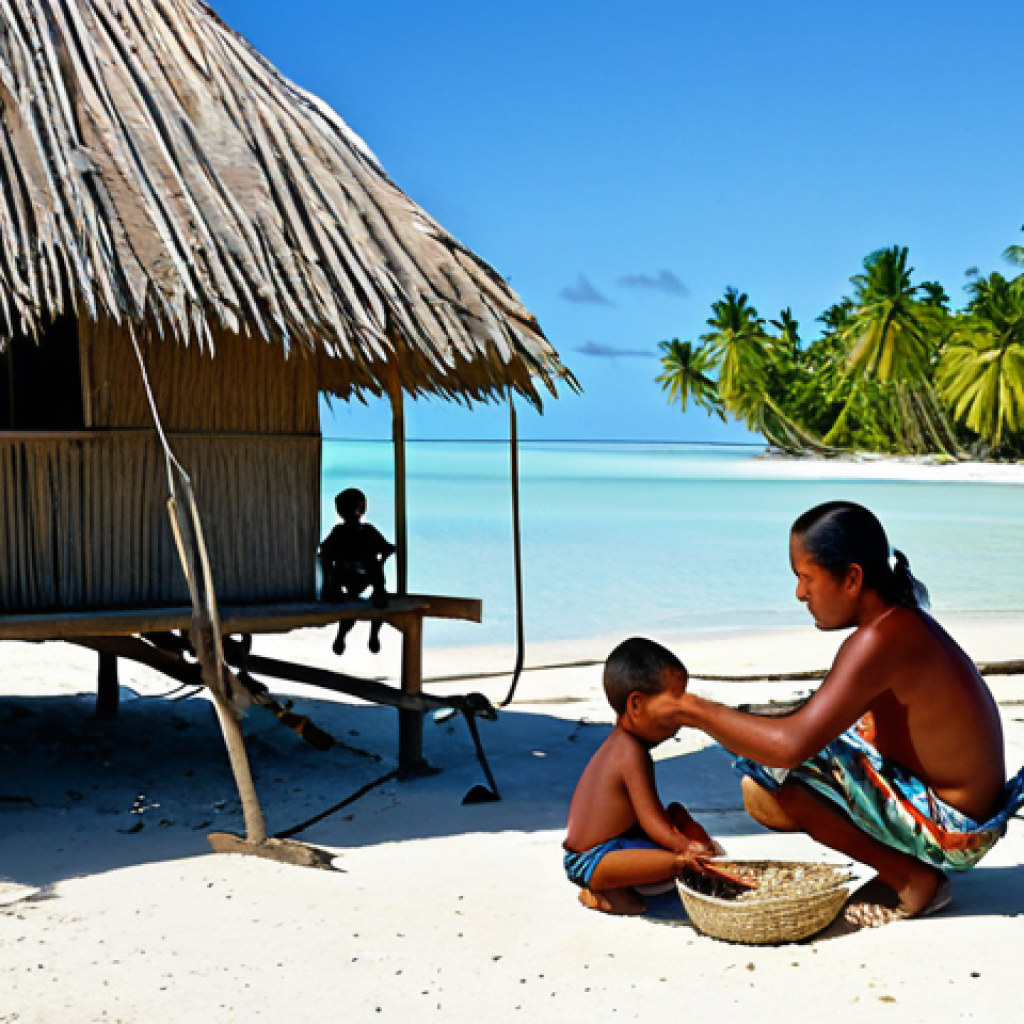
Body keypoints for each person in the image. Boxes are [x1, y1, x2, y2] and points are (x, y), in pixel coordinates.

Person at [675, 501, 1024, 926]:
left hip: (955, 829)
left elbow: (788, 748)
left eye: (807, 578)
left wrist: (692, 709)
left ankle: (911, 878)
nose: (800, 594)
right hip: (968, 812)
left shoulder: (878, 640)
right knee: (804, 735)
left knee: (769, 774)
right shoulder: (900, 618)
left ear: (852, 578)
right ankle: (905, 866)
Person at [563, 637, 726, 915]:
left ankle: (620, 888)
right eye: (673, 706)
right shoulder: (630, 754)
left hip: (621, 842)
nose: (681, 716)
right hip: (593, 862)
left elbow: (647, 819)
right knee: (677, 866)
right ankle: (601, 893)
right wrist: (685, 850)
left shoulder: (623, 746)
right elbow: (652, 822)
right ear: (636, 706)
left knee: (677, 825)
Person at [318, 488, 395, 656]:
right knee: (372, 574)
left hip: (351, 577)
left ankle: (347, 634)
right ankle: (354, 633)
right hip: (355, 576)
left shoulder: (349, 531)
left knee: (371, 573)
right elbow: (387, 548)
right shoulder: (357, 531)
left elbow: (324, 552)